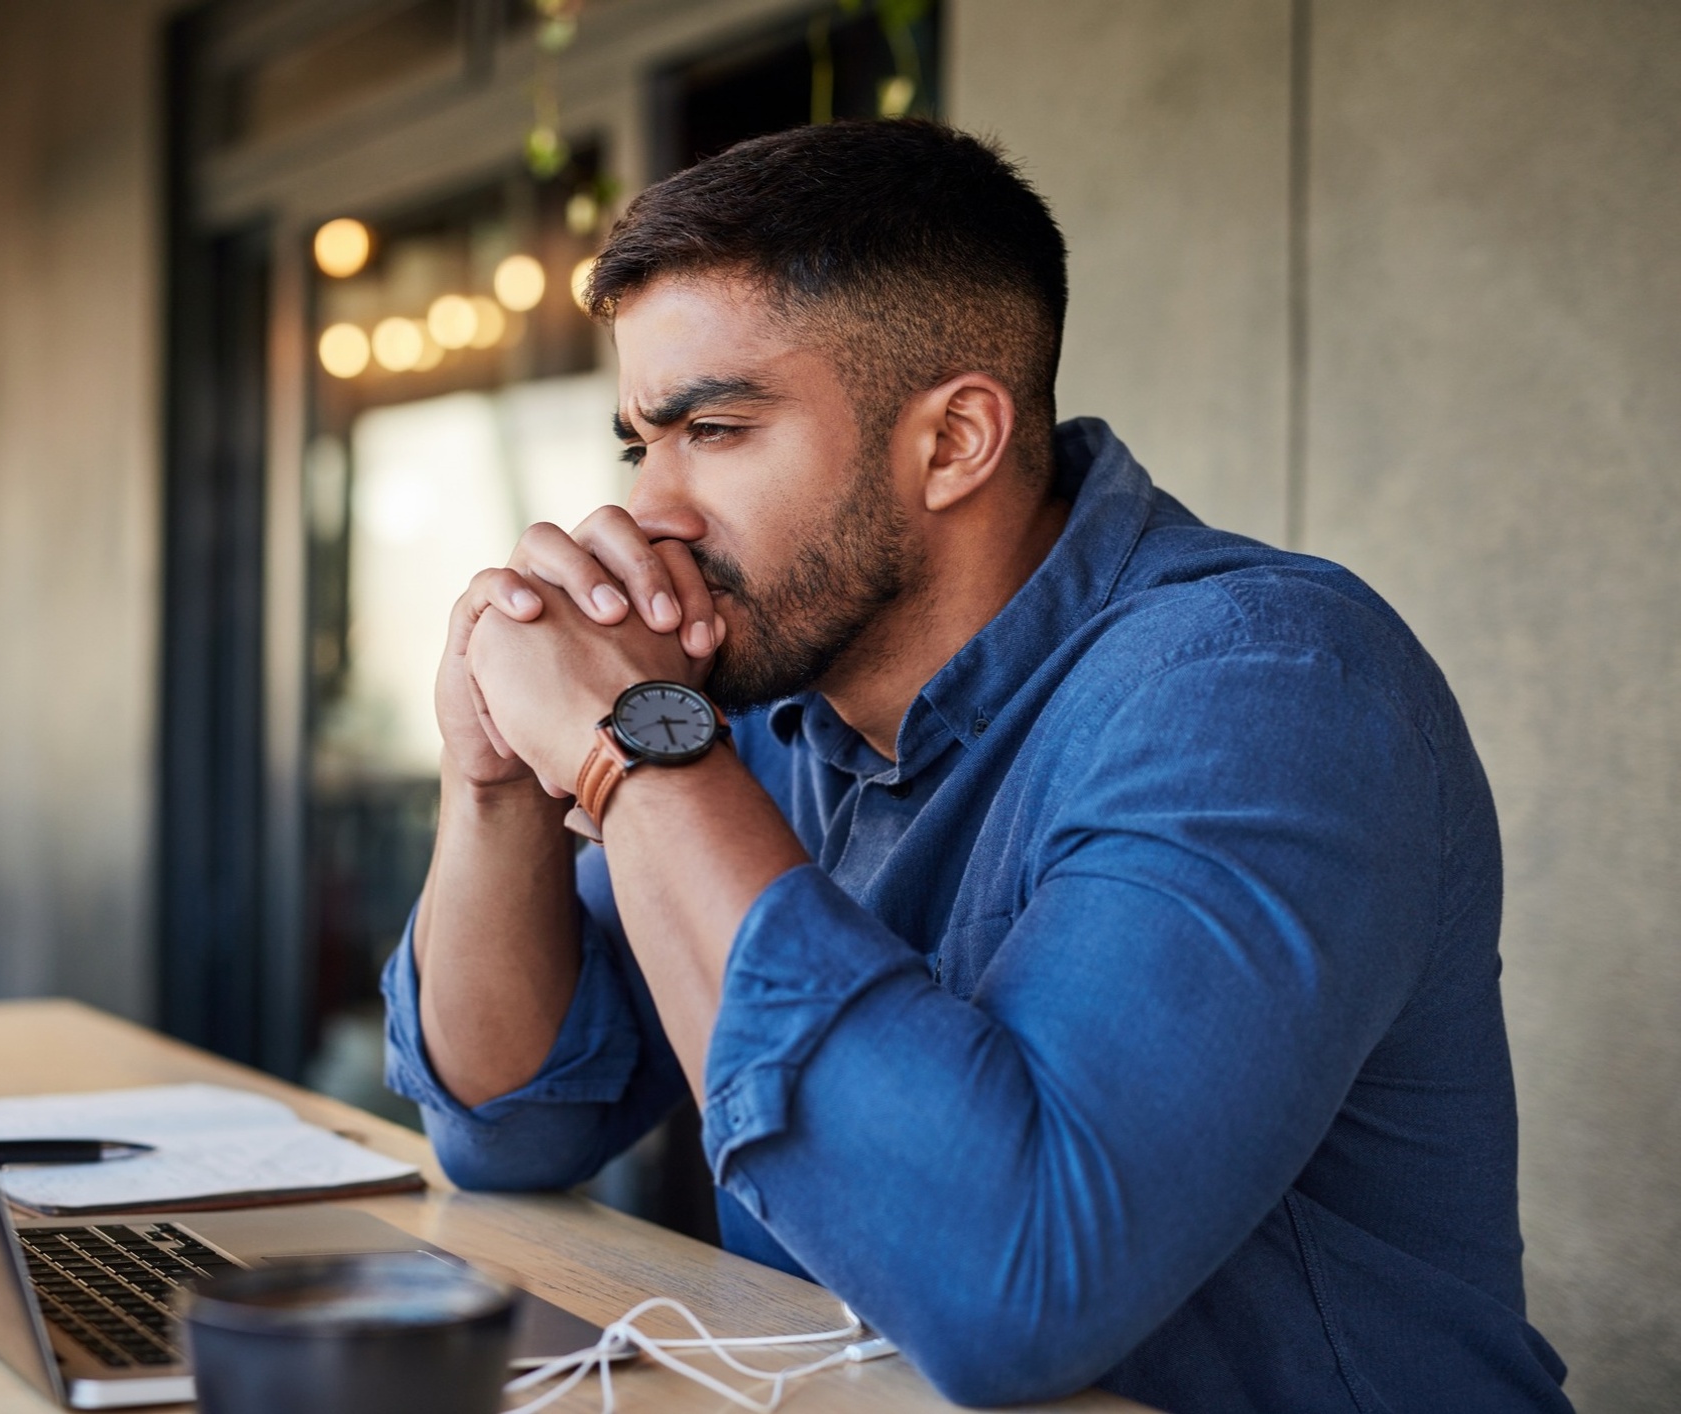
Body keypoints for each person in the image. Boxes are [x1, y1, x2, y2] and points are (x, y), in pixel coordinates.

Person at [380, 119, 1572, 1411]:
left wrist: (636, 750)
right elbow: (510, 1121)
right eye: (639, 444)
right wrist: (495, 772)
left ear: (954, 440)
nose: (648, 509)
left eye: (714, 429)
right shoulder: (780, 720)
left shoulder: (1265, 687)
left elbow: (1016, 1292)